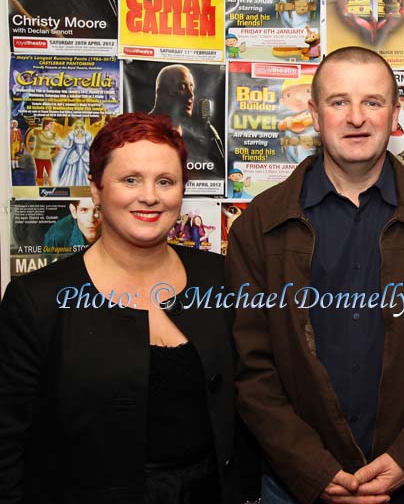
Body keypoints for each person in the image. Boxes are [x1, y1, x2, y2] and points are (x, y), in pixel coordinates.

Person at [227, 46, 404, 504]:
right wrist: (311, 467)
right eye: (339, 101)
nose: (356, 117)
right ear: (315, 114)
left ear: (395, 113)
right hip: (295, 486)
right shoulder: (259, 226)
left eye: (373, 102)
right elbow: (252, 368)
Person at [0, 113, 245, 504]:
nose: (149, 196)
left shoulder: (219, 278)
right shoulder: (38, 299)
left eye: (165, 181)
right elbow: (8, 444)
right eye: (130, 179)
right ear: (96, 190)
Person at [149, 64, 224, 164]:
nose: (191, 95)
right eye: (182, 87)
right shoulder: (144, 131)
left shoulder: (193, 137)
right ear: (161, 93)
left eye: (191, 87)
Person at [55, 118, 93, 186]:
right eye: (77, 127)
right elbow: (67, 146)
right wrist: (70, 142)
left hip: (85, 155)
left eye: (80, 127)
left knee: (87, 170)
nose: (79, 129)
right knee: (71, 171)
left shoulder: (87, 136)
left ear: (82, 128)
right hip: (74, 155)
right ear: (75, 128)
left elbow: (91, 146)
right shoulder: (72, 136)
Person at [31, 116, 59, 186]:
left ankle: (52, 186)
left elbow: (57, 140)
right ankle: (40, 188)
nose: (52, 125)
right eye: (51, 124)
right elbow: (44, 141)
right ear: (46, 124)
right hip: (39, 155)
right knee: (40, 172)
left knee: (50, 171)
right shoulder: (39, 133)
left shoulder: (52, 134)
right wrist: (54, 144)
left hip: (47, 155)